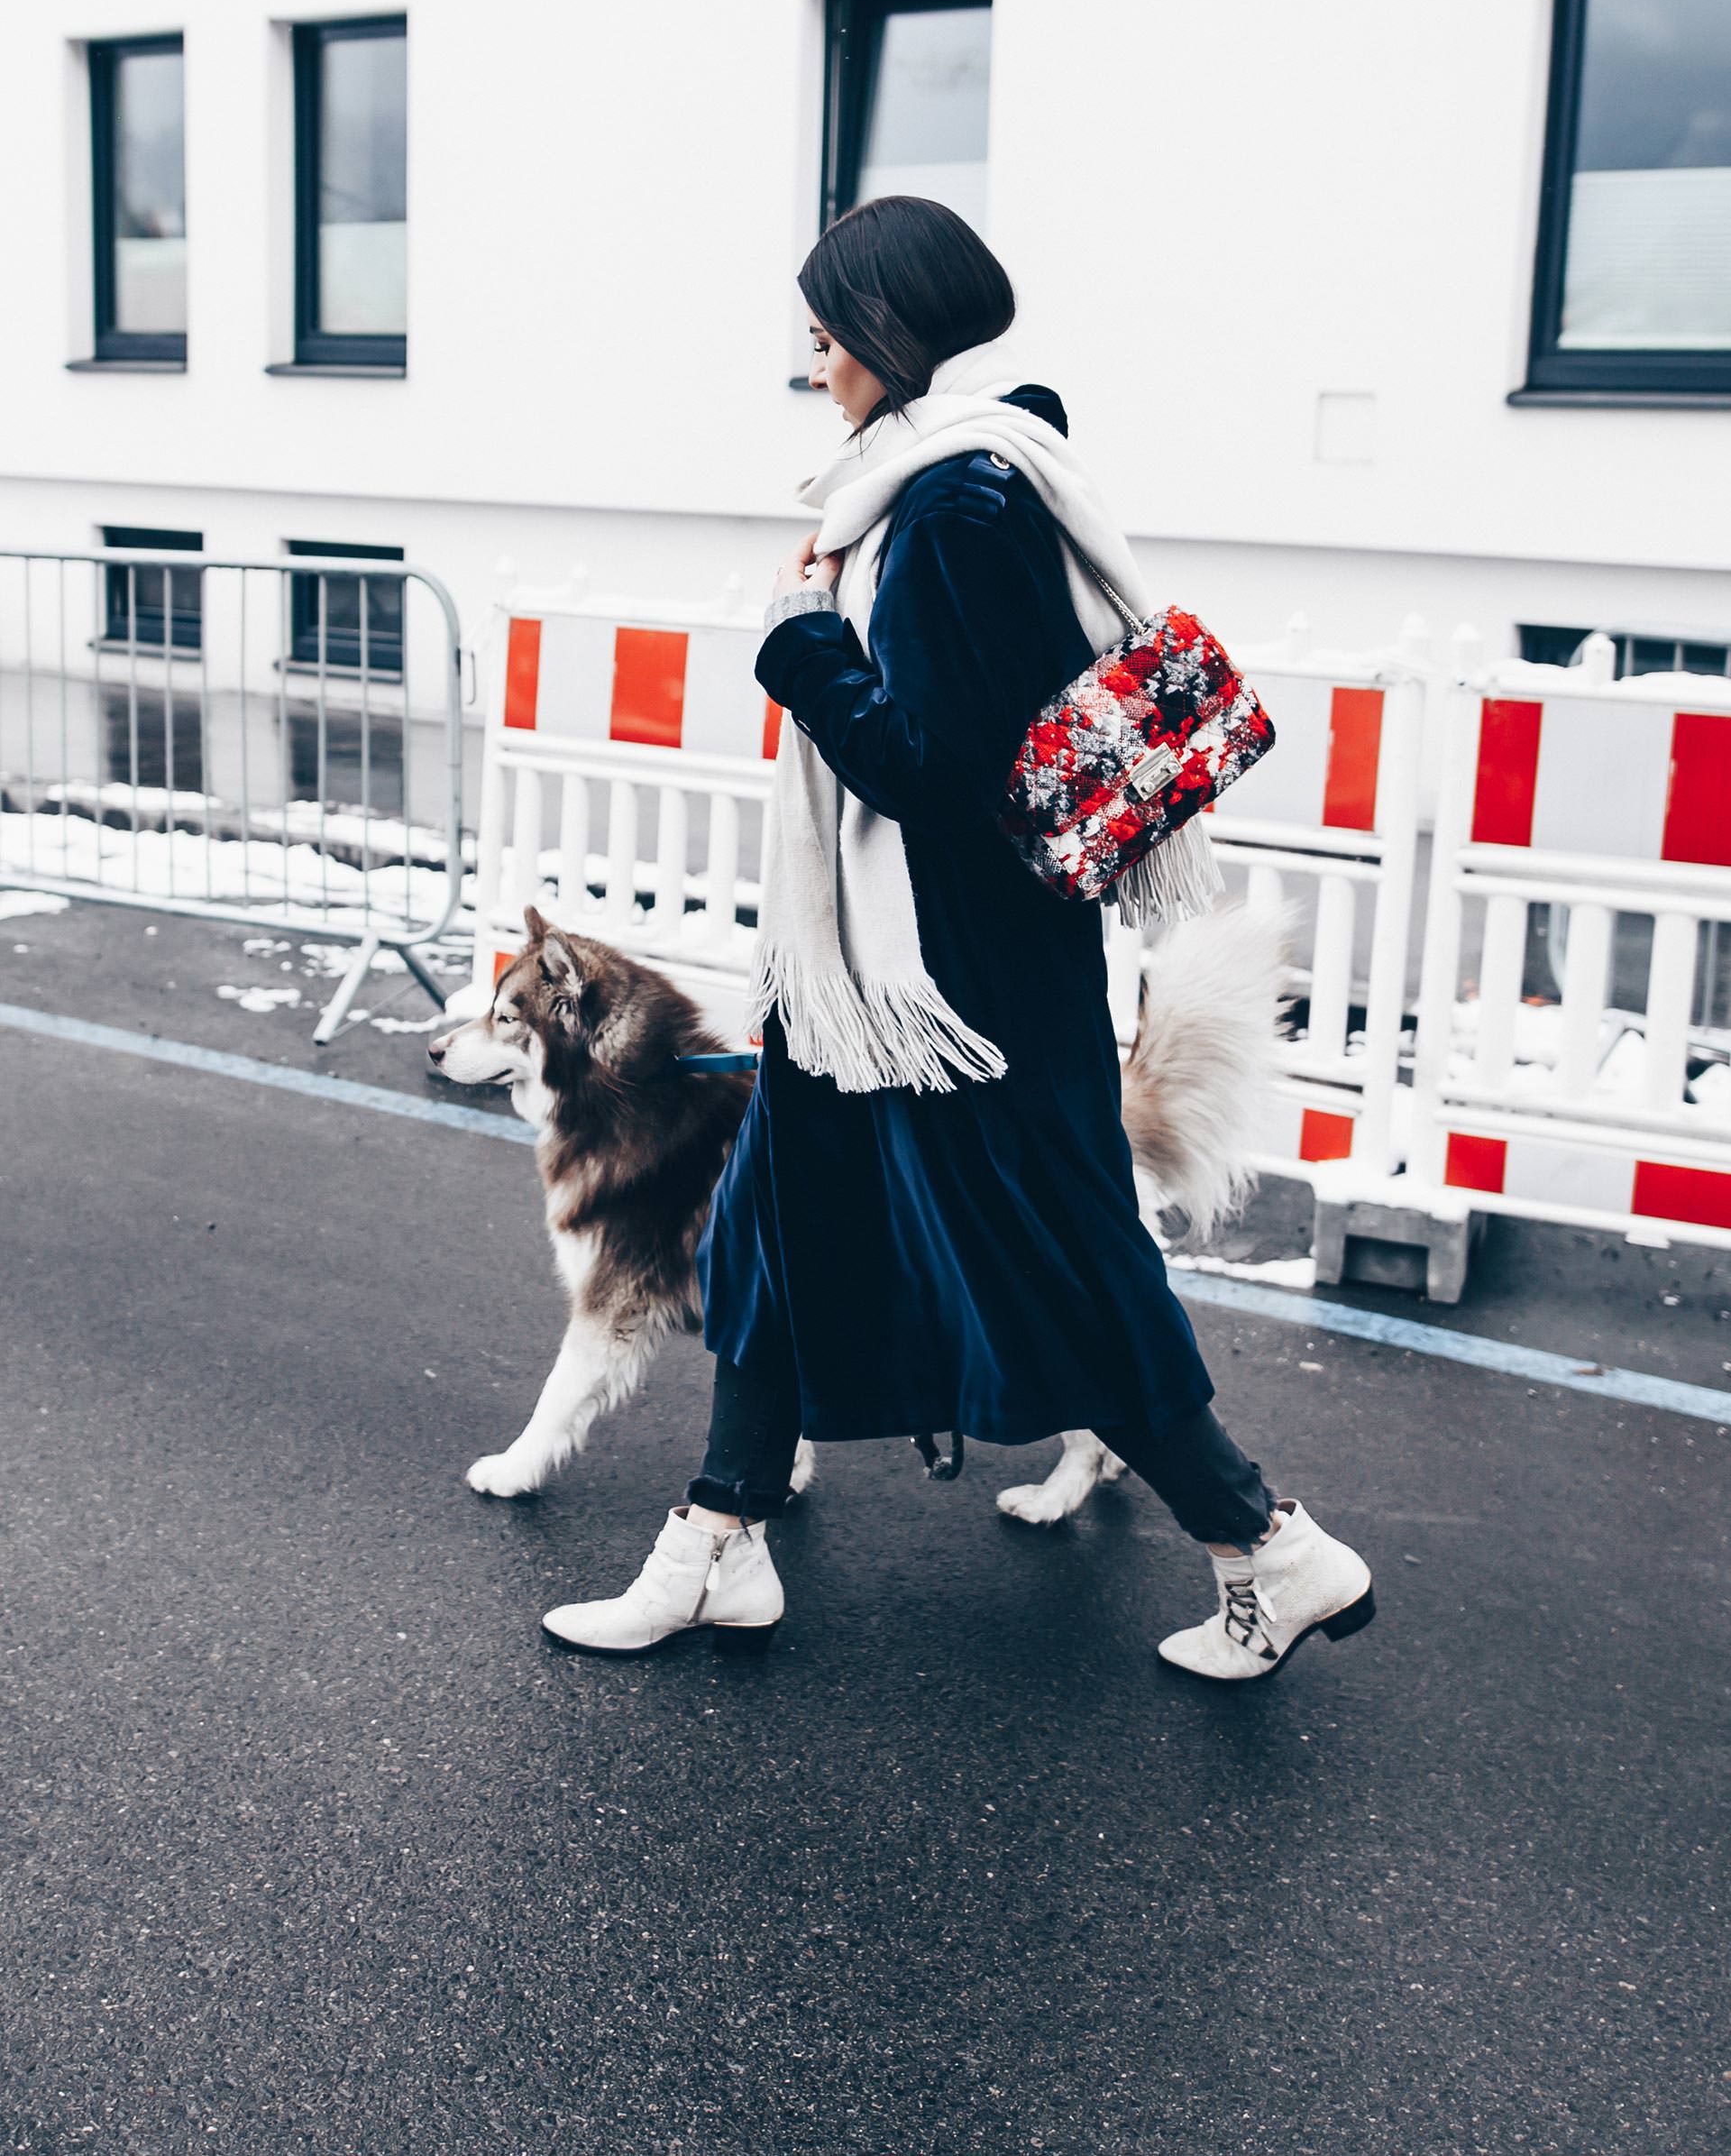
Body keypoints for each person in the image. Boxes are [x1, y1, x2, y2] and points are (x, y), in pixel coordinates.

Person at [543, 197, 1374, 1682]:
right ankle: (715, 1540)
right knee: (775, 1237)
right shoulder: (935, 482)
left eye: (824, 341)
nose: (814, 371)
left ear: (886, 335)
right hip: (867, 982)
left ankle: (1272, 1543)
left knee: (1062, 1269)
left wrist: (804, 647)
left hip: (949, 988)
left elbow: (940, 775)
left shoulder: (954, 512)